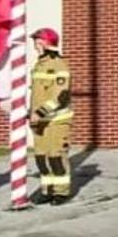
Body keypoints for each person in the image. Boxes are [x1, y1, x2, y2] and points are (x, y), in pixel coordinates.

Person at [29, 28, 76, 205]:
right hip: (40, 122)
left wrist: (40, 112)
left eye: (37, 42)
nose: (35, 46)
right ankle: (47, 190)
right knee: (41, 157)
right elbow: (38, 94)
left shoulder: (59, 65)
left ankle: (61, 192)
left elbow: (61, 96)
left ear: (46, 43)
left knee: (56, 157)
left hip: (57, 120)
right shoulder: (39, 65)